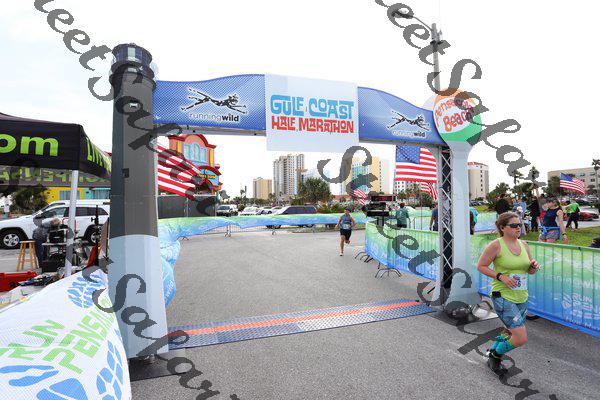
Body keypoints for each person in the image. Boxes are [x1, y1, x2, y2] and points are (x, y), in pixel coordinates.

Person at [476, 212, 540, 375]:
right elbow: (481, 266)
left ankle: (492, 352)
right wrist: (501, 277)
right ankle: (495, 356)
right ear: (502, 227)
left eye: (520, 225)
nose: (518, 228)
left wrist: (533, 267)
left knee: (509, 330)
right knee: (520, 337)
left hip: (521, 295)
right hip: (502, 295)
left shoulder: (524, 244)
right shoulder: (496, 245)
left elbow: (529, 270)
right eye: (514, 225)